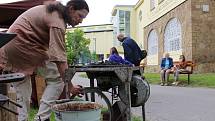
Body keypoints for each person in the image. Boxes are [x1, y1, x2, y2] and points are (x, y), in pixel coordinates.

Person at [0, 0, 89, 121]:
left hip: (10, 46)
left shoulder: (54, 12)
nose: (81, 21)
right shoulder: (57, 21)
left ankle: (23, 118)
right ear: (71, 9)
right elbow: (59, 59)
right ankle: (42, 118)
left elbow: (58, 53)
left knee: (23, 89)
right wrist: (70, 86)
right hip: (23, 45)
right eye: (80, 16)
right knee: (58, 79)